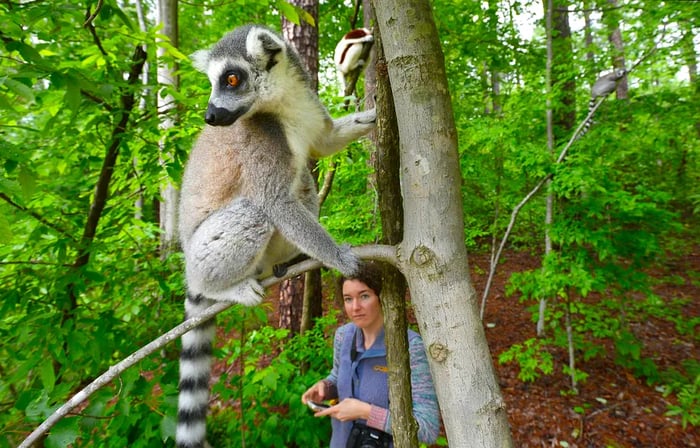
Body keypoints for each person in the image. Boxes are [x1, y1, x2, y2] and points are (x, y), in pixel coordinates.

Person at [301, 264, 440, 447]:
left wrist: (366, 412)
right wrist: (325, 388)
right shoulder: (344, 336)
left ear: (382, 297)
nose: (355, 307)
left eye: (364, 296)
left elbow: (428, 428)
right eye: (348, 299)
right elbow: (338, 377)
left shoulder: (410, 347)